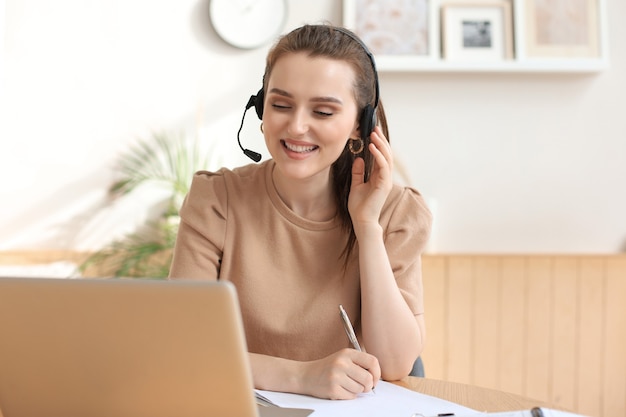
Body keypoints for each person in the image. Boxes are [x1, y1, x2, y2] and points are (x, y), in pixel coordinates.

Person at [168, 23, 432, 400]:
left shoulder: (396, 212)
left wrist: (367, 226)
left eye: (323, 112)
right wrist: (300, 376)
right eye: (280, 105)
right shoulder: (216, 200)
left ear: (361, 124)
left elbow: (393, 364)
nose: (296, 126)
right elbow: (181, 350)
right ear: (261, 107)